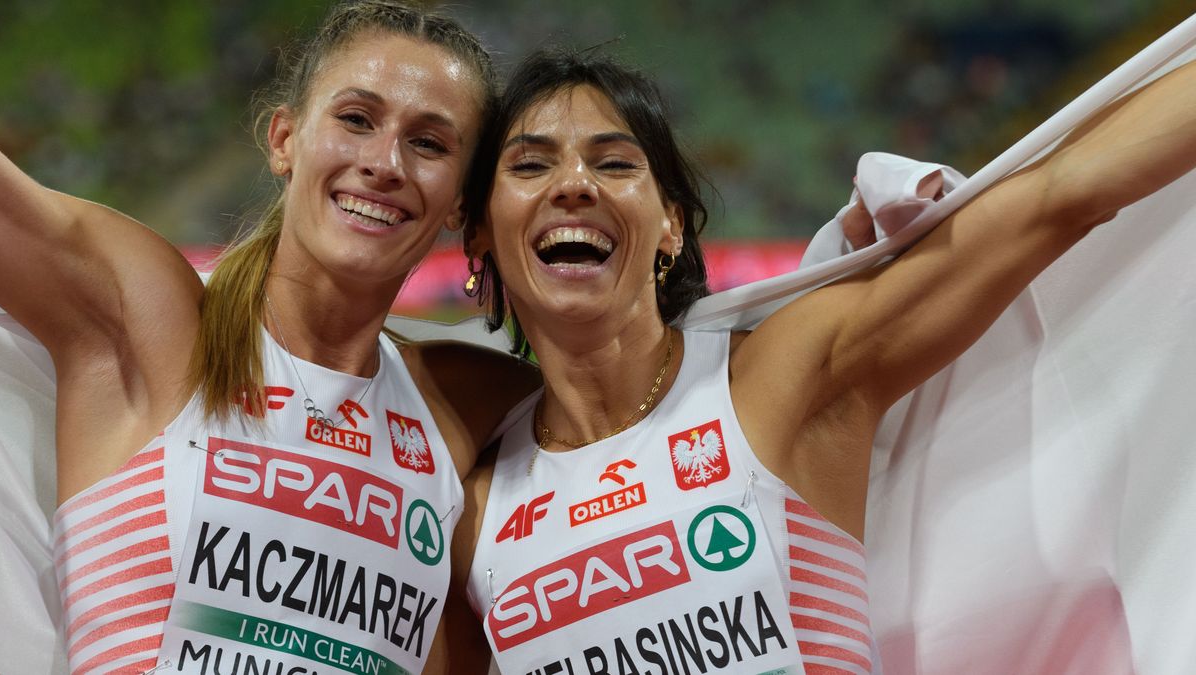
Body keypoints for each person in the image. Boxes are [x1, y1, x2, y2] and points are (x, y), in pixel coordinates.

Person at [441, 47, 1196, 673]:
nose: (574, 184)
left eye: (614, 163)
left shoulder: (778, 379)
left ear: (671, 224)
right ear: (479, 236)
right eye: (531, 166)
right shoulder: (475, 517)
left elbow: (1061, 197)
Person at [0, 2, 544, 673]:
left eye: (429, 143)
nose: (385, 162)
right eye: (356, 119)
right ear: (285, 139)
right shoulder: (154, 319)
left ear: (462, 199)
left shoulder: (462, 404)